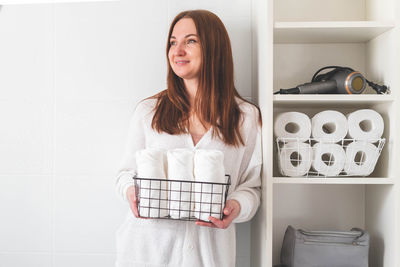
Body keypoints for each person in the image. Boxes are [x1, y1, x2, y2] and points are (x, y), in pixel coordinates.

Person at [115, 9, 262, 267]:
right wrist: (130, 191)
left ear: (214, 49)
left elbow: (252, 187)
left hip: (209, 255)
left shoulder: (245, 118)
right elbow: (125, 173)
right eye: (173, 42)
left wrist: (236, 206)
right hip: (148, 252)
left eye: (190, 41)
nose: (177, 51)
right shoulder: (149, 112)